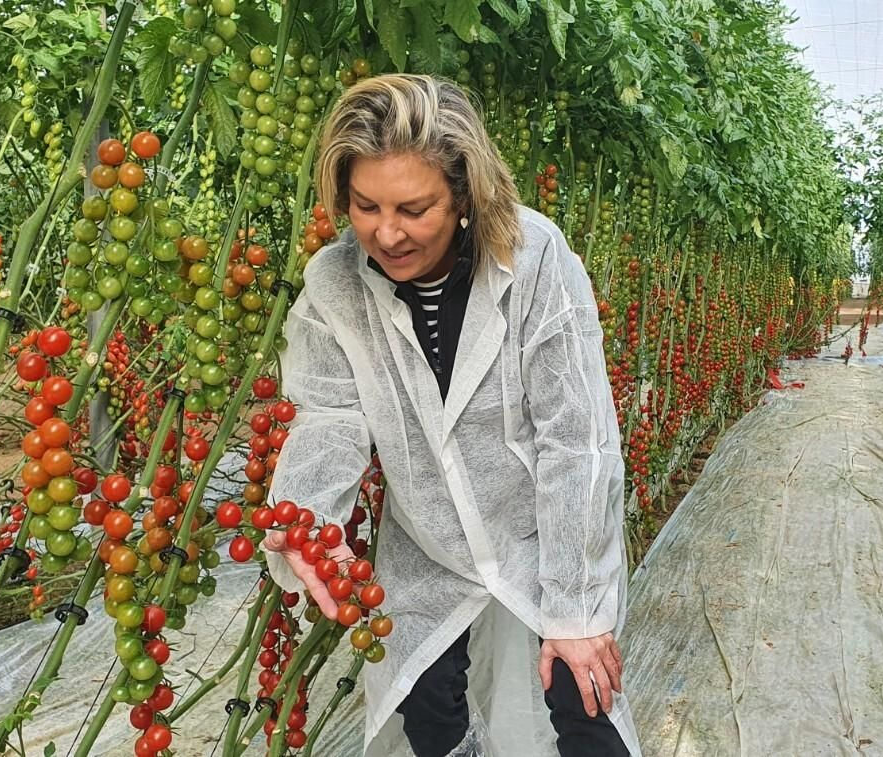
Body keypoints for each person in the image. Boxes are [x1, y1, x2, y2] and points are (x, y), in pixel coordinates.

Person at [261, 73, 640, 757]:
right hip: (427, 543)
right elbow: (330, 418)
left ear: (464, 194)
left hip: (536, 534)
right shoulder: (334, 284)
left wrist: (578, 606)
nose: (386, 231)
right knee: (430, 712)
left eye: (414, 208)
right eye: (364, 205)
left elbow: (574, 435)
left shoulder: (532, 259)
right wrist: (306, 515)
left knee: (581, 702)